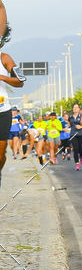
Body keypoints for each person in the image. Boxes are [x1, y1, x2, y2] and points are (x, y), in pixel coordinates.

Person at [0, 26, 25, 185]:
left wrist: (2, 77)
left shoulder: (5, 58)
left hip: (3, 111)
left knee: (1, 153)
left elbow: (20, 81)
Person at [69, 103, 82, 169]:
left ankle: (81, 156)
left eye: (76, 107)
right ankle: (77, 163)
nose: (75, 108)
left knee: (81, 149)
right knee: (75, 149)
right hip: (73, 134)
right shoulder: (70, 117)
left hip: (81, 134)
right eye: (74, 107)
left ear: (79, 109)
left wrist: (81, 126)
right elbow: (70, 124)